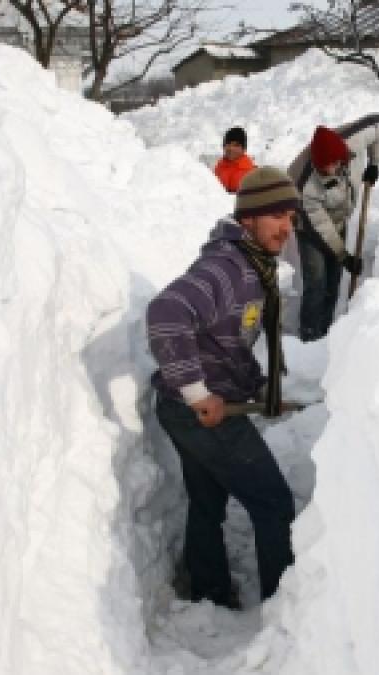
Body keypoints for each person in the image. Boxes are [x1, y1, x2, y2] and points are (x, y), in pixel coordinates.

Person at [145, 166, 299, 608]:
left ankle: (210, 591)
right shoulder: (227, 268)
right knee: (273, 503)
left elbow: (225, 340)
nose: (287, 229)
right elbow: (167, 312)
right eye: (276, 216)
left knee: (207, 502)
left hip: (183, 406)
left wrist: (259, 386)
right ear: (248, 217)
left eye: (291, 217)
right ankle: (284, 610)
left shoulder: (251, 265)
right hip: (203, 412)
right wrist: (198, 393)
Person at [287, 113, 379, 342]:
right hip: (309, 226)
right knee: (317, 283)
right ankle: (310, 339)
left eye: (333, 165)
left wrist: (374, 162)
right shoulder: (306, 185)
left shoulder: (352, 139)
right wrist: (344, 255)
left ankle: (327, 335)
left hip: (338, 217)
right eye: (324, 168)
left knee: (334, 280)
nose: (330, 171)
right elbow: (320, 227)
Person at [213, 126, 256, 194]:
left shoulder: (250, 172)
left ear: (244, 149)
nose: (231, 148)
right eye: (228, 144)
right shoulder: (219, 167)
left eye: (236, 145)